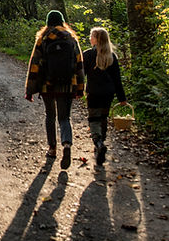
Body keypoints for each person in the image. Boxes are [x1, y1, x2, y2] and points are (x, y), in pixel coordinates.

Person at [25, 10, 84, 170]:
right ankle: (67, 144)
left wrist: (30, 90)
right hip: (67, 84)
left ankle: (52, 148)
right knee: (64, 118)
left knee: (50, 115)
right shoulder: (71, 38)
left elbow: (35, 64)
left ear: (48, 22)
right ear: (62, 21)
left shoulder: (43, 38)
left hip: (47, 85)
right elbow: (79, 65)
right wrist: (80, 88)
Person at [82, 26, 127, 166]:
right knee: (103, 118)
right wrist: (122, 98)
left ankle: (98, 143)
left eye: (91, 36)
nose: (90, 39)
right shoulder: (112, 56)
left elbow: (81, 75)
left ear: (96, 39)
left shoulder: (88, 54)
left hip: (93, 92)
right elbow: (117, 80)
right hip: (108, 93)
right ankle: (102, 142)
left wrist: (77, 90)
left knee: (93, 119)